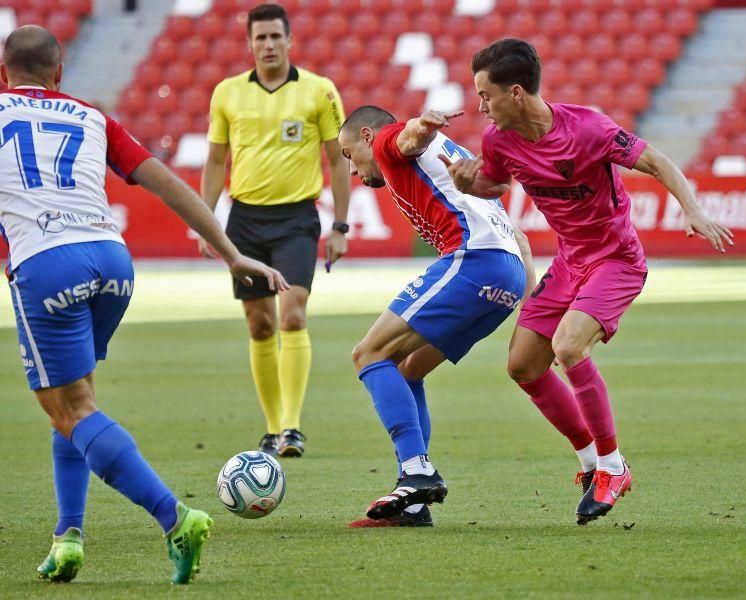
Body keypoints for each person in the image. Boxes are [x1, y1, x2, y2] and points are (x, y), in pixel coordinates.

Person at [0, 26, 288, 583]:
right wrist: (232, 255)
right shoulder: (90, 115)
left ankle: (174, 517)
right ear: (60, 74)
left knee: (69, 410)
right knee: (79, 402)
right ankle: (68, 537)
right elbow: (166, 184)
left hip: (45, 263)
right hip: (112, 261)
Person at [441, 38, 734, 525]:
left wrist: (693, 210)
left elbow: (656, 161)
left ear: (515, 93)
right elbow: (495, 183)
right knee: (523, 366)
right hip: (570, 261)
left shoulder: (589, 129)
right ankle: (589, 464)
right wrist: (469, 183)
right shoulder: (499, 141)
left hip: (616, 259)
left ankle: (613, 467)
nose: (480, 107)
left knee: (569, 347)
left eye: (485, 96)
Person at [337, 106, 533, 527]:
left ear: (367, 136)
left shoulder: (388, 144)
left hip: (474, 261)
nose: (351, 169)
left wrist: (423, 125)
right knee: (407, 369)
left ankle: (416, 470)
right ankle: (412, 505)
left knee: (369, 354)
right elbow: (518, 235)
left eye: (348, 153)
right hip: (508, 276)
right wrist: (530, 307)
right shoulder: (451, 158)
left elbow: (407, 136)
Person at [200, 3, 351, 457]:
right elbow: (214, 162)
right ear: (249, 44)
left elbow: (339, 160)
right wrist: (206, 223)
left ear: (290, 41)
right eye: (259, 38)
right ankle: (271, 427)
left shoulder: (319, 92)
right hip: (244, 220)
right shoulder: (227, 94)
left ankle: (292, 426)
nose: (267, 44)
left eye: (274, 37)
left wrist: (340, 225)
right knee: (260, 324)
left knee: (293, 314)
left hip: (297, 220)